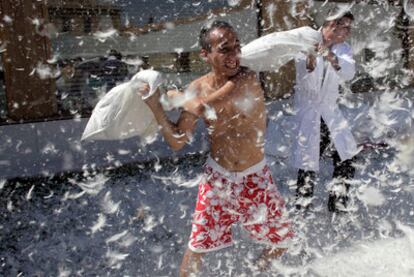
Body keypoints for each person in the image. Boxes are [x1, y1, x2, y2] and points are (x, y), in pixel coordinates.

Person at [138, 20, 294, 276]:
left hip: (255, 175)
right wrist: (154, 106)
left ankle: (256, 270)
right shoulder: (196, 88)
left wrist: (173, 97)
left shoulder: (247, 77)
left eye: (236, 46)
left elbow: (202, 108)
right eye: (224, 49)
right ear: (205, 54)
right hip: (218, 178)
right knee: (196, 248)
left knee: (282, 240)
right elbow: (177, 140)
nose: (234, 55)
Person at [291, 9, 360, 213]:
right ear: (331, 24)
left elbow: (348, 73)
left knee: (346, 156)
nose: (347, 32)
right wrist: (313, 55)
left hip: (330, 111)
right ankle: (303, 205)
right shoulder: (307, 39)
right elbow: (304, 74)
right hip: (310, 111)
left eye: (349, 28)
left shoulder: (343, 48)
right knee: (308, 162)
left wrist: (330, 56)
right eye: (344, 26)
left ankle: (338, 202)